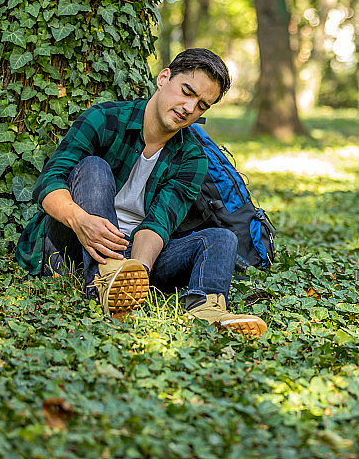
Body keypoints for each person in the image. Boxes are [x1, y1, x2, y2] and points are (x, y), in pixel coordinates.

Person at [15, 48, 267, 337]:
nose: (189, 108)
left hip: (136, 254)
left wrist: (137, 272)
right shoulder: (105, 119)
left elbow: (158, 224)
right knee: (94, 167)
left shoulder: (192, 158)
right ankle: (103, 279)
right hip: (72, 241)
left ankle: (207, 309)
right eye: (186, 91)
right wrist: (79, 220)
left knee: (221, 238)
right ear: (163, 78)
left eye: (201, 106)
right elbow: (49, 181)